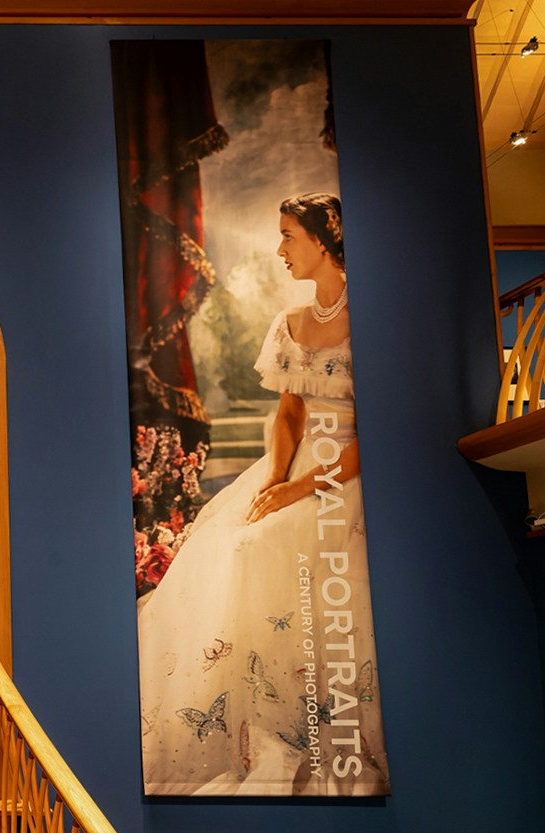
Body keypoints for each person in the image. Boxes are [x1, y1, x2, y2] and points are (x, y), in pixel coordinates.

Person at [136, 193, 389, 797]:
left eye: (289, 237)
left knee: (325, 585)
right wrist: (275, 478)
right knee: (242, 543)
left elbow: (378, 429)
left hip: (349, 474)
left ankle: (343, 748)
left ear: (323, 242)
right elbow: (289, 412)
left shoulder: (374, 317)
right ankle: (272, 733)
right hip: (299, 465)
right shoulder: (292, 322)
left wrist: (304, 487)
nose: (280, 250)